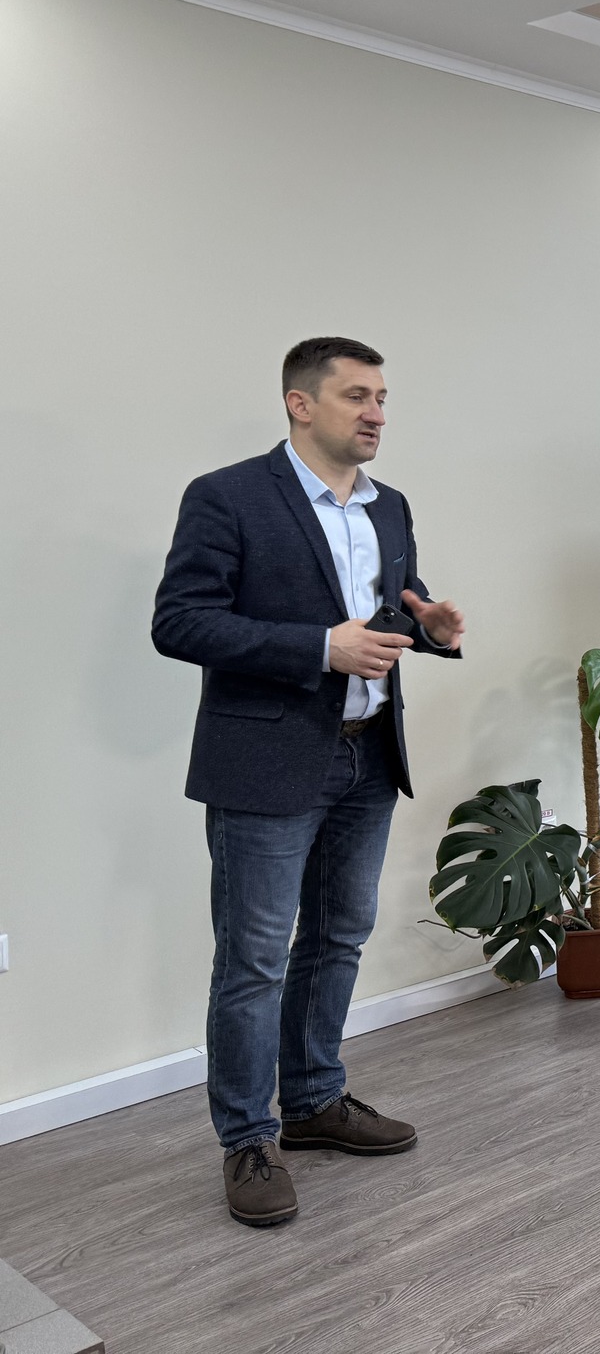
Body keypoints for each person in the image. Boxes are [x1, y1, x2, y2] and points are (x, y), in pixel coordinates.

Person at [152, 338, 465, 1229]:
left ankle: (316, 1099)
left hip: (369, 756)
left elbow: (392, 604)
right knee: (253, 960)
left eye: (382, 397)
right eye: (357, 395)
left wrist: (432, 627)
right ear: (301, 403)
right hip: (265, 760)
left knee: (337, 938)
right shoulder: (228, 496)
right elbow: (181, 622)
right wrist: (317, 648)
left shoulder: (389, 506)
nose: (376, 413)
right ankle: (248, 1139)